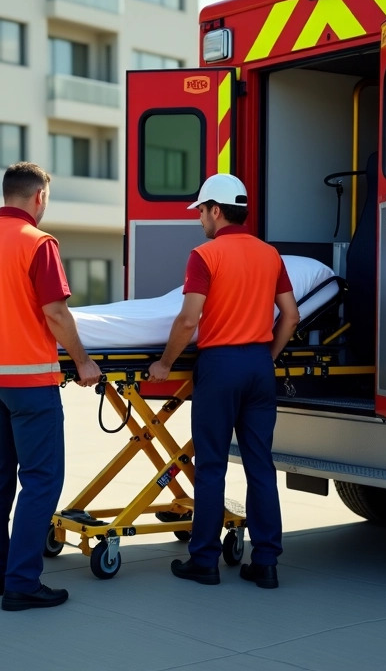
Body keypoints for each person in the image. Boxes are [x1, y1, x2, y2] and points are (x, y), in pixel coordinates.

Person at [0, 162, 102, 612]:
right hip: (31, 382)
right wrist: (82, 360)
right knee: (40, 480)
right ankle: (23, 581)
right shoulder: (39, 243)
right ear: (39, 197)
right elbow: (56, 313)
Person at [147, 173, 299, 589]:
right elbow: (291, 315)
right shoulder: (270, 255)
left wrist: (164, 363)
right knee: (260, 465)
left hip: (219, 367)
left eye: (201, 212)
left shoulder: (205, 255)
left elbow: (189, 318)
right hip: (258, 366)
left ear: (216, 210)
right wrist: (266, 355)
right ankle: (266, 562)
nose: (200, 220)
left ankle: (204, 562)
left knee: (212, 467)